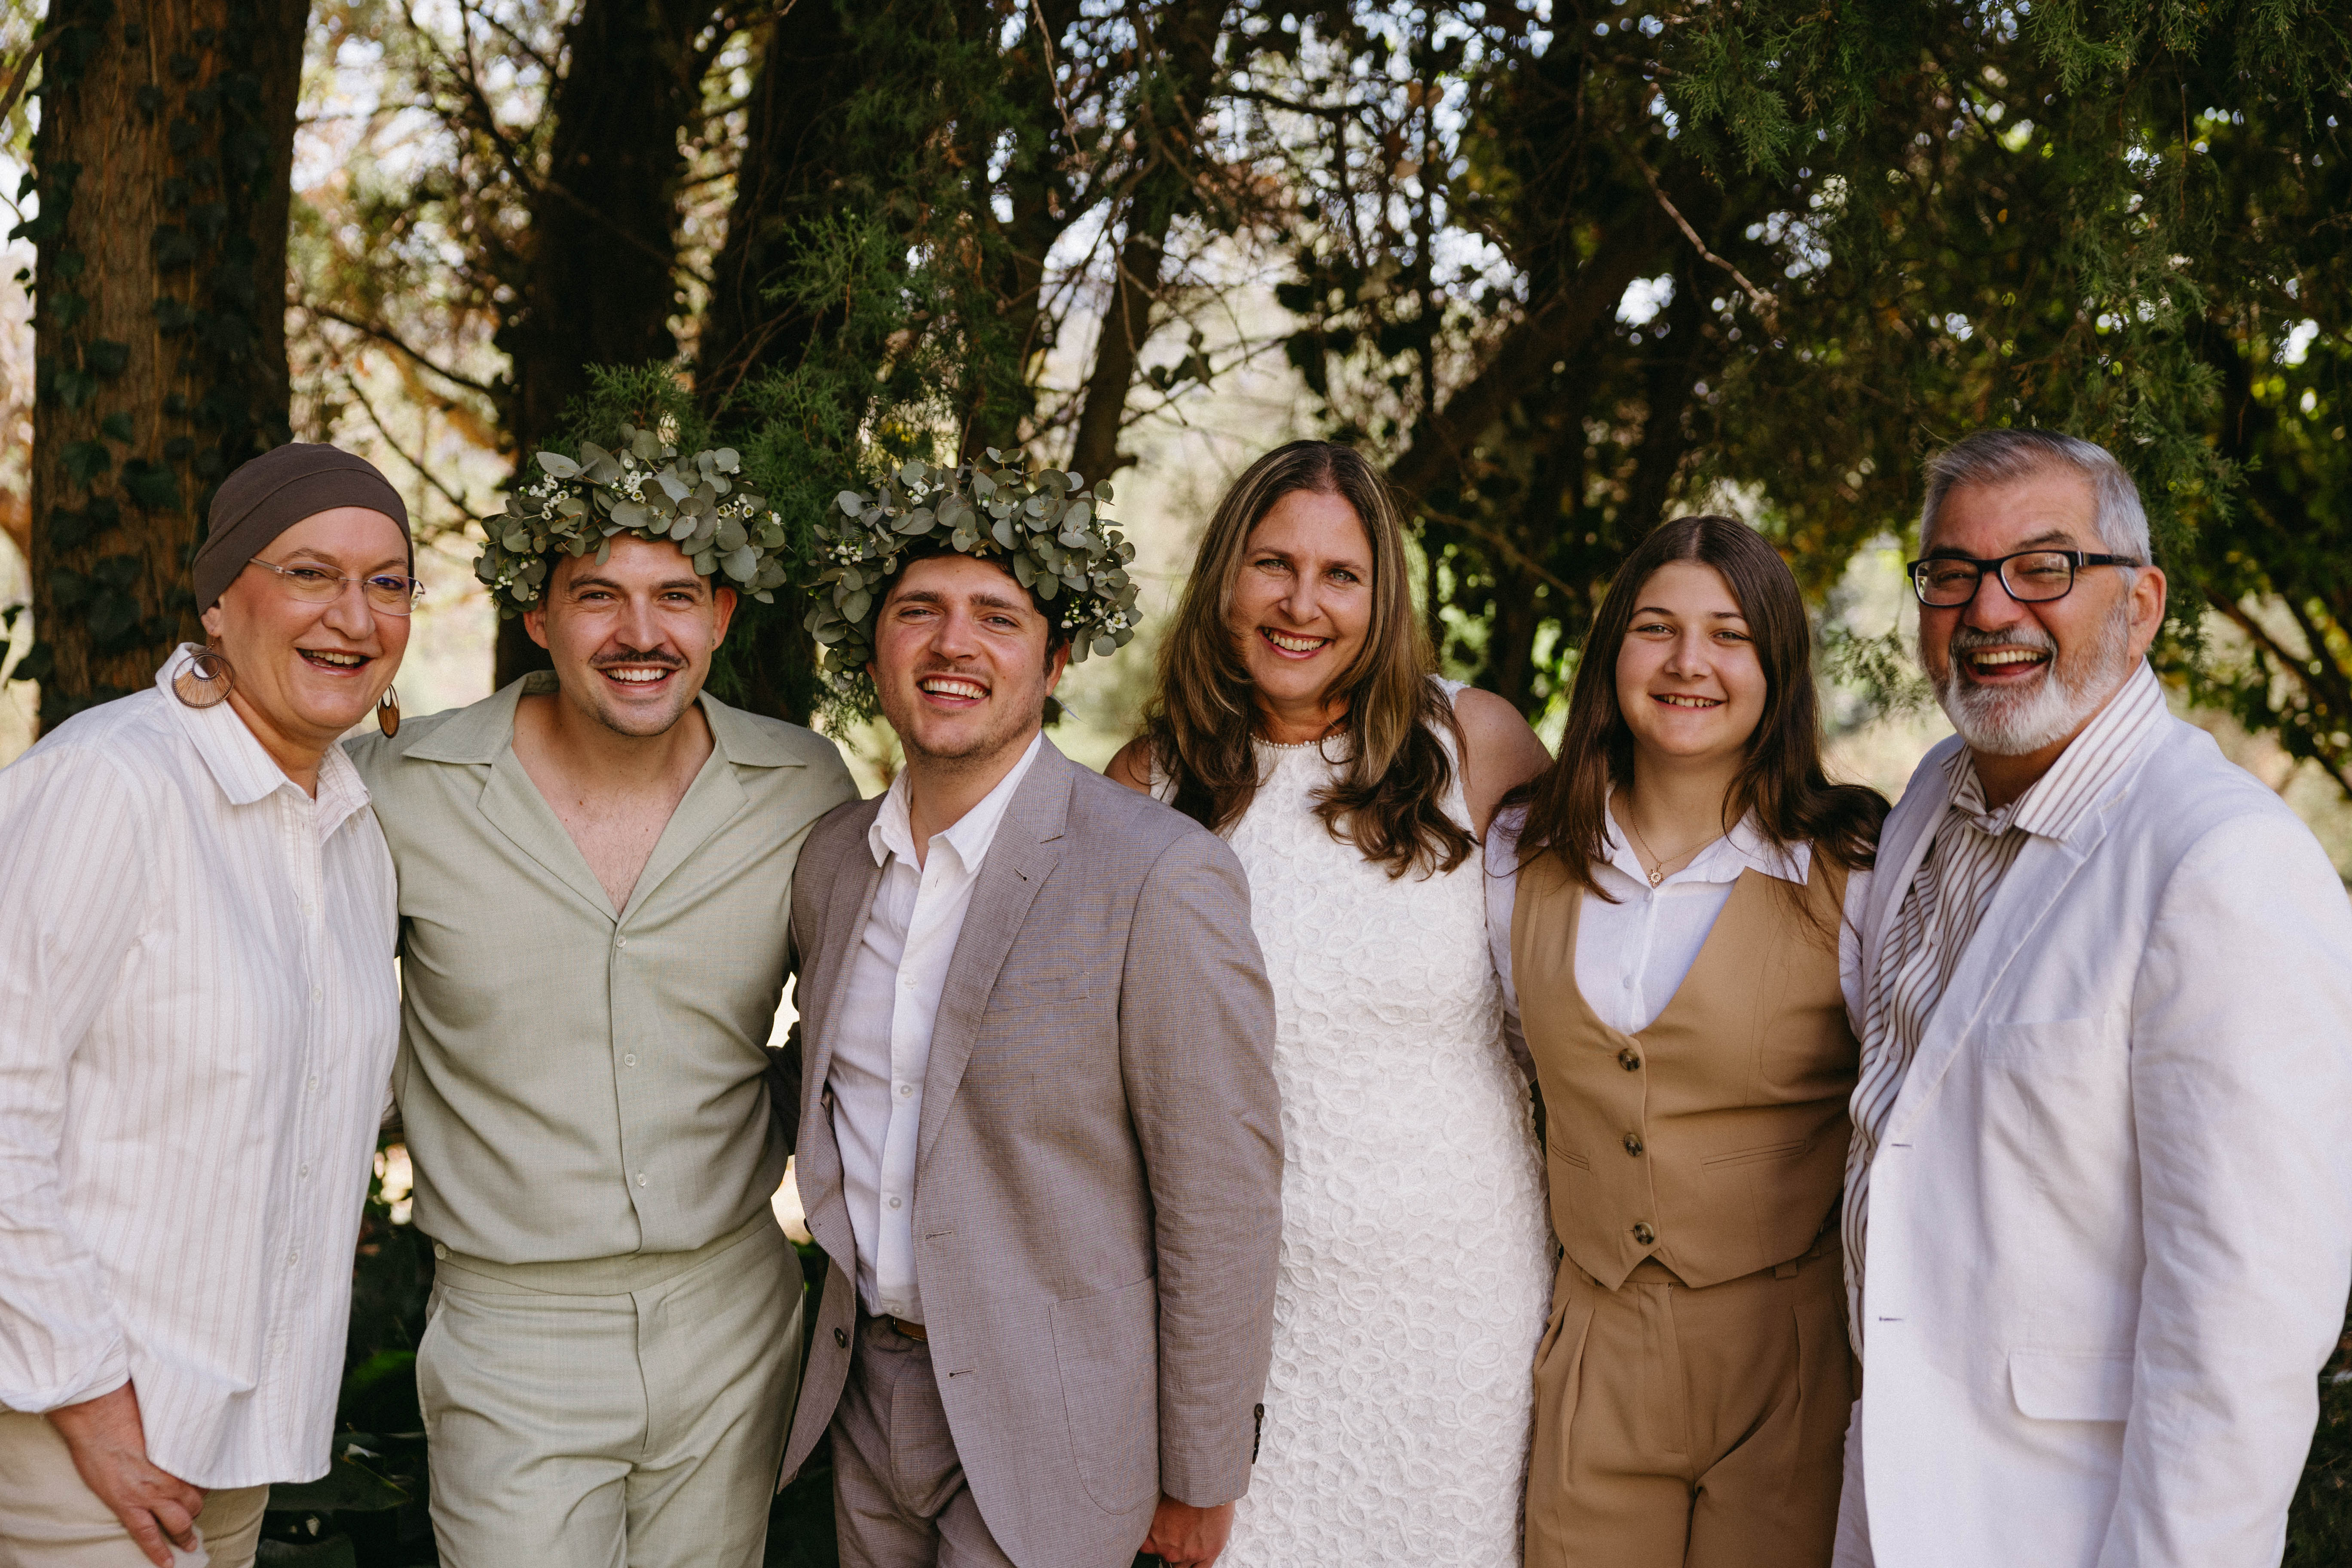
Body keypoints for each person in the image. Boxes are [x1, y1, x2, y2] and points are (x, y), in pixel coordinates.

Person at [1835, 430, 2352, 1567]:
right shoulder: (1931, 796)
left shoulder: (2222, 863)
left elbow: (2244, 1331)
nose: (1990, 609)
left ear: (2142, 603)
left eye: (2045, 567)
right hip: (1888, 1502)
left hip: (2058, 1527)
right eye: (1953, 572)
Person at [343, 430, 855, 1568]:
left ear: (722, 616)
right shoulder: (404, 790)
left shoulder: (802, 787)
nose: (640, 634)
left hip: (734, 1316)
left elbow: (862, 1019)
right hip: (513, 1333)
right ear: (538, 616)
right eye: (598, 596)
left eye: (676, 596)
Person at [779, 454, 1282, 1568]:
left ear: (1054, 660)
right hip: (865, 1403)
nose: (952, 645)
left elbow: (1221, 1198)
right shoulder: (831, 863)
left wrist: (1203, 1472)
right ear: (874, 646)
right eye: (919, 610)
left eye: (997, 618)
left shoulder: (1157, 874)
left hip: (1056, 1429)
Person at [1107, 439, 1554, 1567]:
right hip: (1247, 1327)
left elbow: (1583, 1000)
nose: (1302, 604)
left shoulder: (1479, 746)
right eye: (1274, 565)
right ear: (1225, 579)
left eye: (1340, 575)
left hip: (1457, 1303)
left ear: (1381, 596)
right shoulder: (1146, 788)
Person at [0, 445, 416, 1568]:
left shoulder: (347, 830)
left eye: (387, 582)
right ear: (219, 604)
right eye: (310, 573)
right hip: (75, 1438)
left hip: (236, 1439)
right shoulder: (113, 783)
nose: (355, 616)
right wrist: (92, 1403)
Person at [1488, 515, 1884, 1566]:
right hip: (1595, 1344)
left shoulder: (1854, 868)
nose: (1688, 663)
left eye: (1729, 635)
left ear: (1777, 668)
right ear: (1613, 651)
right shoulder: (1519, 850)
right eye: (1656, 628)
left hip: (1788, 1357)